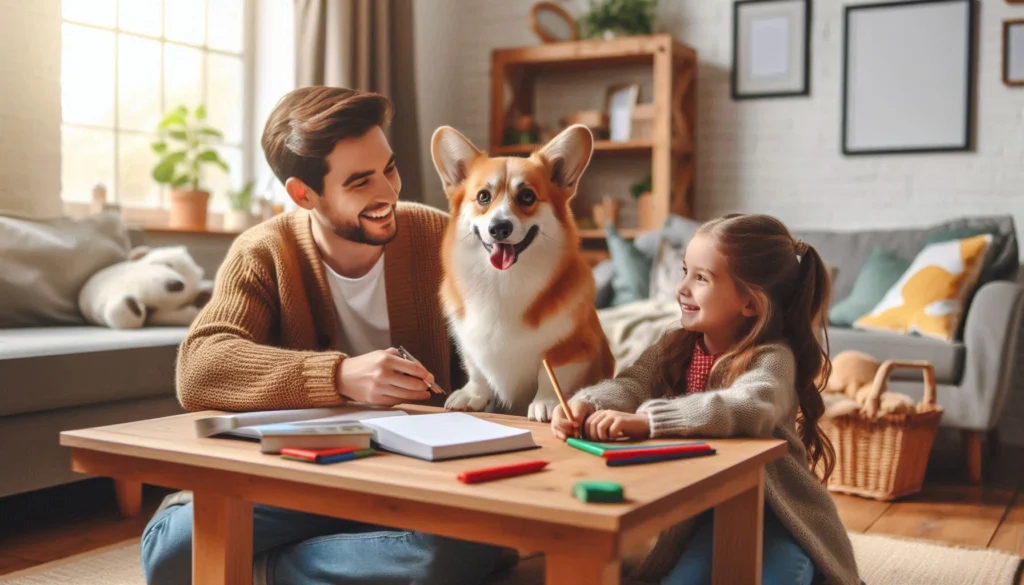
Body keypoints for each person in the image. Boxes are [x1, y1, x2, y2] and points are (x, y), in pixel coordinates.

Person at [140, 86, 513, 585]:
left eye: (390, 168)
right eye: (360, 181)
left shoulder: (441, 239)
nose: (387, 192)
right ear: (303, 194)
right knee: (171, 553)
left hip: (412, 480)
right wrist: (340, 375)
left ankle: (263, 569)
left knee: (451, 553)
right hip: (296, 478)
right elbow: (200, 367)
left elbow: (508, 356)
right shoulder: (262, 252)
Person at [552, 213, 862, 585]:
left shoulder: (772, 358)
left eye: (701, 278)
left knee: (784, 573)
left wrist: (650, 421)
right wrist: (591, 403)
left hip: (776, 513)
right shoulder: (673, 345)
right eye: (685, 271)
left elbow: (745, 406)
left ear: (751, 303)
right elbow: (632, 384)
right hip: (704, 511)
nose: (681, 288)